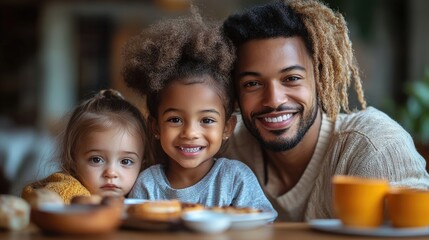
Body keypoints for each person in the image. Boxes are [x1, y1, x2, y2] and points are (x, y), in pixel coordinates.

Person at [222, 0, 429, 221]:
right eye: (252, 84)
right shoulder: (225, 147)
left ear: (320, 78)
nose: (274, 100)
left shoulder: (373, 147)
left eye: (291, 79)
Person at [122, 11, 276, 215]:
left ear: (227, 127)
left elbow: (263, 224)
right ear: (155, 127)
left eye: (206, 120)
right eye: (175, 119)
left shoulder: (235, 179)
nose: (190, 133)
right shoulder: (147, 185)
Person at [22, 89, 150, 204]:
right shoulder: (66, 195)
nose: (111, 173)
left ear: (141, 165)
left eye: (126, 161)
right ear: (72, 160)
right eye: (96, 159)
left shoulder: (140, 195)